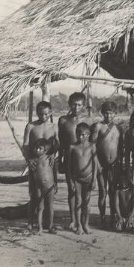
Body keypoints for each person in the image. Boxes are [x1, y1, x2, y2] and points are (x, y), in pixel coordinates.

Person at [22, 101, 58, 232]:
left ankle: (49, 223)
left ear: (50, 113)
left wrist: (53, 154)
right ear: (37, 113)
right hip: (34, 164)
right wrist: (28, 159)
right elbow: (25, 145)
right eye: (41, 114)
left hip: (48, 165)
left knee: (50, 195)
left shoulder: (54, 127)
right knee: (34, 195)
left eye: (46, 114)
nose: (43, 117)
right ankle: (30, 221)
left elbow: (57, 143)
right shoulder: (31, 126)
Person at [90, 101, 123, 227]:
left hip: (115, 165)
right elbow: (92, 146)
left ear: (115, 114)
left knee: (114, 192)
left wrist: (120, 162)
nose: (109, 116)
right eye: (106, 114)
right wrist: (96, 163)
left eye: (111, 114)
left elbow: (120, 147)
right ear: (102, 113)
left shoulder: (119, 128)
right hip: (101, 164)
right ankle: (102, 217)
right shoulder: (98, 126)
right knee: (103, 192)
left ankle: (113, 216)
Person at [58, 92, 87, 231]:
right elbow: (61, 143)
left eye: (79, 105)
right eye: (74, 104)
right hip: (70, 160)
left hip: (84, 160)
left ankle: (83, 220)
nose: (76, 107)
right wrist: (61, 161)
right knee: (72, 190)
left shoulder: (89, 121)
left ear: (84, 106)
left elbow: (92, 143)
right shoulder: (63, 120)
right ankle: (73, 220)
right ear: (69, 104)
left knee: (84, 192)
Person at [66, 122, 97, 235]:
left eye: (83, 134)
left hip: (88, 178)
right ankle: (78, 225)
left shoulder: (92, 146)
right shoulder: (72, 147)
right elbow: (68, 166)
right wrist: (70, 181)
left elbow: (95, 164)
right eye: (78, 134)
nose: (80, 137)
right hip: (76, 179)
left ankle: (86, 224)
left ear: (88, 135)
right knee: (78, 201)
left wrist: (94, 180)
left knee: (87, 202)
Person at [30, 139, 58, 235]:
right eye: (36, 148)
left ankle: (50, 226)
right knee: (40, 207)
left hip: (50, 187)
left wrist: (56, 184)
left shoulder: (49, 158)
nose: (37, 150)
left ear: (45, 150)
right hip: (39, 187)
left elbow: (54, 172)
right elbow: (31, 175)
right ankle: (40, 228)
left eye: (40, 148)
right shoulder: (33, 161)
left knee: (50, 207)